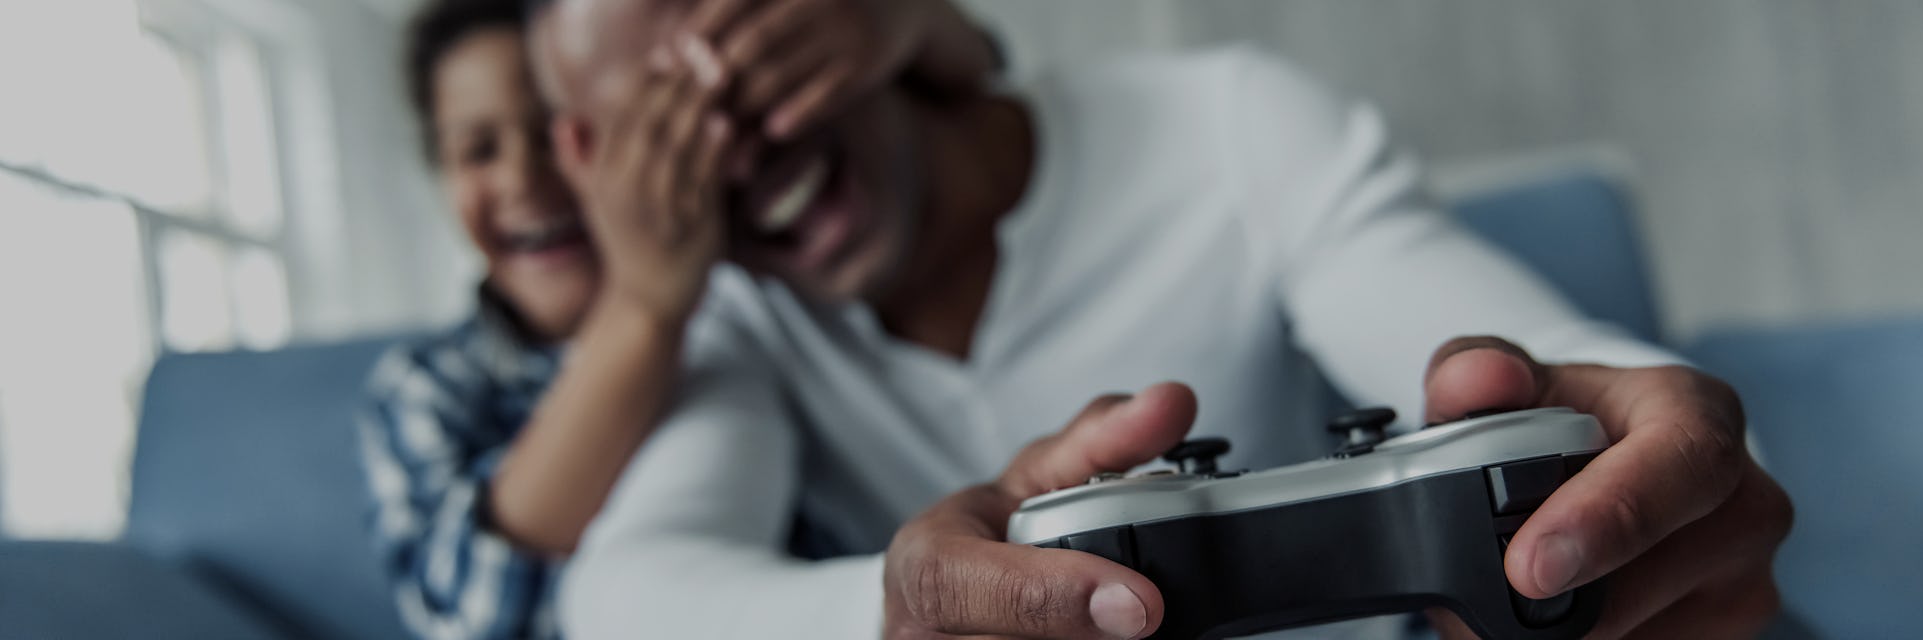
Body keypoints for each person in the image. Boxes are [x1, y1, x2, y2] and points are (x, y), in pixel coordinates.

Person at [527, 0, 1795, 638]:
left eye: (743, 55)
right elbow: (632, 599)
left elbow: (1553, 380)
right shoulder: (723, 316)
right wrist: (940, 609)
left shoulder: (1223, 129)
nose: (737, 150)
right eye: (661, 138)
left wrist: (1658, 458)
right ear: (592, 160)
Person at [354, 0, 1001, 637]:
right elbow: (479, 611)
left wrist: (912, 22)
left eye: (556, 134)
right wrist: (642, 302)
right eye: (478, 149)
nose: (525, 179)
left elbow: (976, 80)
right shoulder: (426, 389)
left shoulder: (748, 300)